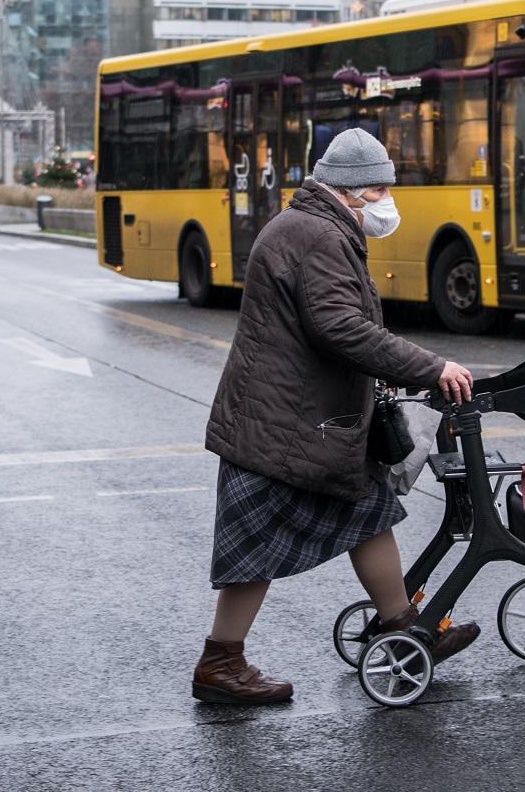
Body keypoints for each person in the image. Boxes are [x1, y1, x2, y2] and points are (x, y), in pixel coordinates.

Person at [195, 128, 476, 705]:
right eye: (379, 189)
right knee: (256, 546)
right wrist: (430, 367)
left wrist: (397, 369)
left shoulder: (313, 227)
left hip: (289, 419)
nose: (386, 201)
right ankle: (221, 665)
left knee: (367, 511)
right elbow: (341, 327)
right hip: (281, 425)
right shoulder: (318, 236)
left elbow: (340, 326)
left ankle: (401, 625)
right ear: (349, 191)